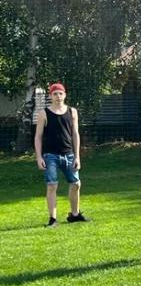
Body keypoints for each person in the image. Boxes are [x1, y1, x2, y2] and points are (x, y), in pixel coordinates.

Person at [34, 83, 89, 227]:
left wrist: (77, 156)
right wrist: (39, 157)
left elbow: (75, 134)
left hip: (69, 154)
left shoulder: (72, 112)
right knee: (52, 185)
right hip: (50, 155)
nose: (58, 96)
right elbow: (38, 136)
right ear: (50, 96)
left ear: (65, 95)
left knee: (76, 184)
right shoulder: (44, 113)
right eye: (55, 94)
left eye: (60, 93)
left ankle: (74, 214)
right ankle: (52, 219)